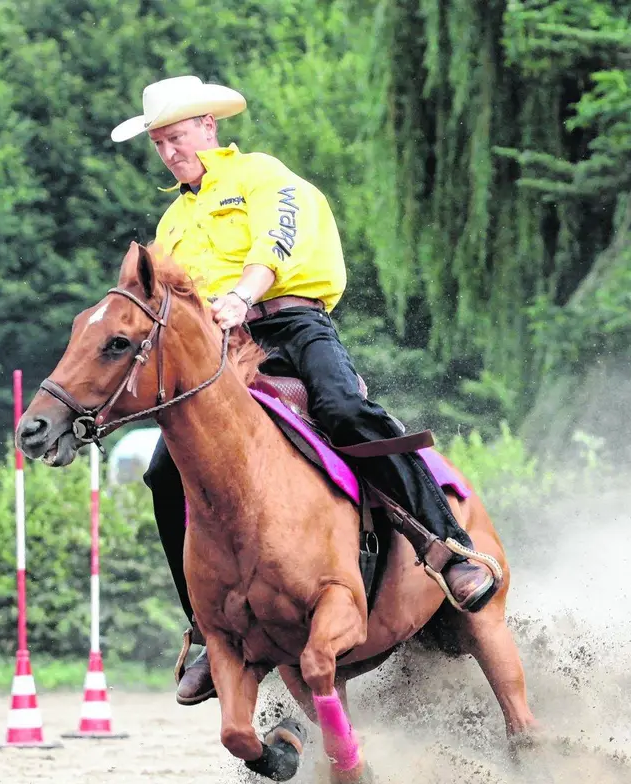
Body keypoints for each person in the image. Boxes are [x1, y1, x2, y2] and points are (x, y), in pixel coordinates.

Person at [110, 75, 503, 705]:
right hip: (224, 356)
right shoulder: (172, 222)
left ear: (209, 127)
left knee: (345, 411)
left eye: (177, 136)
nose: (169, 152)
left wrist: (242, 294)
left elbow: (278, 240)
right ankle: (208, 634)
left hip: (294, 322)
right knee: (164, 471)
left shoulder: (264, 177)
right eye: (159, 142)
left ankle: (448, 547)